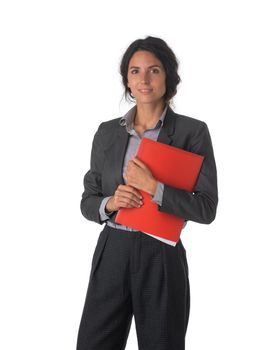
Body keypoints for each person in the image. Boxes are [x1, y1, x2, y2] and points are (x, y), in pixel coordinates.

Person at [76, 36, 218, 350]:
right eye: (135, 71)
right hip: (112, 247)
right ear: (126, 79)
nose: (144, 79)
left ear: (167, 76)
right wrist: (111, 202)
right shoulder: (107, 132)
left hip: (161, 254)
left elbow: (207, 208)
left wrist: (154, 187)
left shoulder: (191, 132)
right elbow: (88, 200)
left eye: (153, 70)